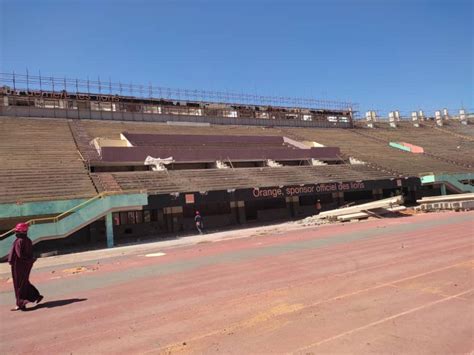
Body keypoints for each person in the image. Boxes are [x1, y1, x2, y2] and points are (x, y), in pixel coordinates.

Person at [8, 223, 43, 311]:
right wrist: (30, 260)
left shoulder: (19, 241)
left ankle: (21, 303)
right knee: (24, 282)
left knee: (19, 284)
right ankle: (35, 296)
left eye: (16, 231)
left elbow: (19, 255)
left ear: (20, 231)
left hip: (19, 265)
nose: (15, 232)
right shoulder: (28, 240)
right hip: (27, 264)